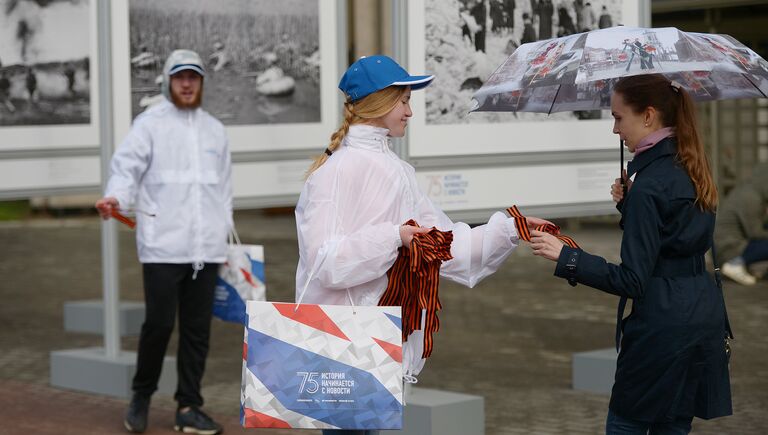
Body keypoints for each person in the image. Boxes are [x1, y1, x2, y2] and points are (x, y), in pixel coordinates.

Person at [295, 55, 552, 435]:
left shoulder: (397, 172)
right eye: (404, 101)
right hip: (342, 346)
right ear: (379, 103)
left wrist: (510, 229)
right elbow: (326, 263)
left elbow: (444, 246)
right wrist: (392, 237)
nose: (410, 112)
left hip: (379, 340)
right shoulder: (336, 173)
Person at [530, 74, 732, 433]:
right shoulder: (693, 166)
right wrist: (630, 207)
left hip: (662, 328)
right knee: (673, 426)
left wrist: (567, 256)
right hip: (702, 317)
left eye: (618, 117)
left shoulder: (651, 184)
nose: (614, 129)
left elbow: (633, 280)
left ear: (649, 116)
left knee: (626, 423)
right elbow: (678, 239)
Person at [95, 49, 231, 435]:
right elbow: (125, 170)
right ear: (167, 82)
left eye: (193, 77)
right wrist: (115, 199)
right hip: (162, 247)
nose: (187, 84)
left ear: (202, 82)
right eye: (179, 77)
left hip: (207, 250)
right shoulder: (149, 124)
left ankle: (189, 406)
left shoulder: (215, 130)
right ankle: (141, 395)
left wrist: (225, 237)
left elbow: (225, 191)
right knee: (157, 325)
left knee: (197, 331)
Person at [714, 162, 768, 285]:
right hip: (728, 249)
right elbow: (755, 232)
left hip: (728, 245)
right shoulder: (751, 197)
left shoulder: (749, 191)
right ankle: (735, 263)